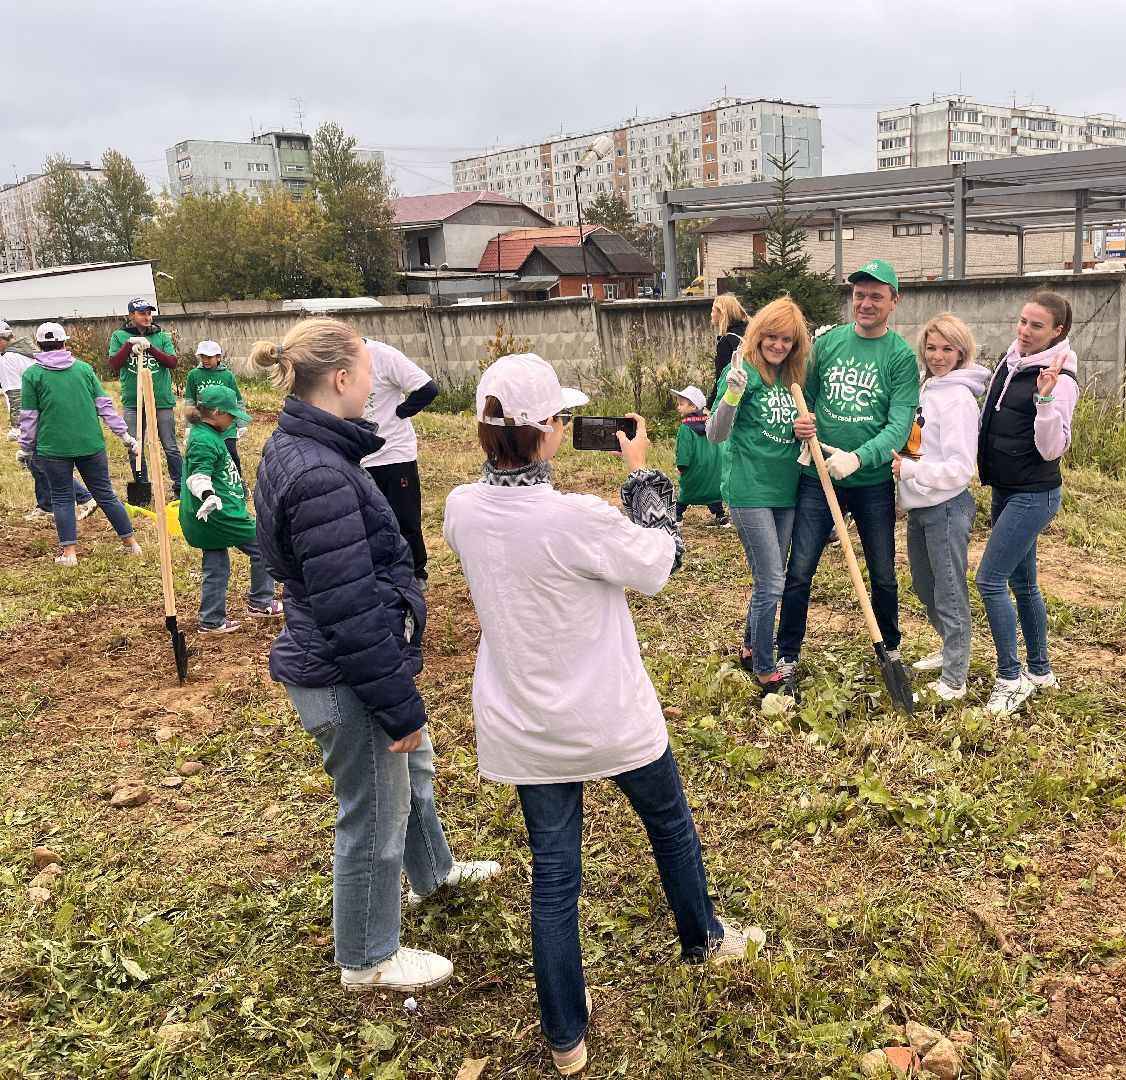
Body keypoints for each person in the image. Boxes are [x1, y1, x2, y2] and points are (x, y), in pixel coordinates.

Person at [444, 352, 764, 1076]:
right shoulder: (576, 518)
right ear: (548, 429)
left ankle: (565, 1036)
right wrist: (641, 474)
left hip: (526, 725)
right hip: (610, 717)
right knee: (670, 825)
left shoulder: (461, 508)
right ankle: (703, 938)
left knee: (555, 878)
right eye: (560, 417)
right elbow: (660, 562)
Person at [252, 317, 498, 995]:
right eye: (368, 372)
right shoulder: (319, 475)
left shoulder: (304, 447)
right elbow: (349, 610)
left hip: (352, 660)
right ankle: (367, 957)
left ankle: (433, 874)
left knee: (411, 775)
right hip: (347, 676)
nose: (375, 382)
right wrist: (398, 705)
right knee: (374, 815)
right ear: (341, 379)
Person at [777, 259, 920, 681]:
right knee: (800, 569)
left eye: (876, 296)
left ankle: (889, 649)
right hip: (818, 478)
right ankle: (787, 655)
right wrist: (800, 423)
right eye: (860, 295)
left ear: (893, 301)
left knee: (883, 573)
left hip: (871, 483)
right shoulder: (828, 344)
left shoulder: (900, 357)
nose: (866, 303)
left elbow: (899, 425)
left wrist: (859, 457)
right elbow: (803, 398)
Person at [975, 291, 1078, 717]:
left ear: (1057, 331)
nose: (1025, 330)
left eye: (1037, 325)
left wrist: (1046, 399)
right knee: (1024, 584)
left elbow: (1052, 449)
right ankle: (1040, 671)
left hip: (1034, 494)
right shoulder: (1014, 359)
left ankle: (1010, 678)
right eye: (1022, 321)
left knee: (989, 580)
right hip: (1006, 487)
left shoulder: (1060, 378)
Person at [705, 297, 809, 693]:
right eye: (772, 337)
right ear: (758, 334)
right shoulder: (741, 370)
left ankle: (751, 646)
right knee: (771, 582)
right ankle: (766, 670)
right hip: (748, 489)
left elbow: (791, 428)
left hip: (785, 490)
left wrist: (802, 429)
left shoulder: (790, 377)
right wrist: (732, 395)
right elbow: (716, 433)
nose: (778, 345)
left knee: (769, 577)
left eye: (787, 339)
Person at [893, 314, 990, 702]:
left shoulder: (958, 400)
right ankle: (951, 647)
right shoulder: (927, 386)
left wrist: (911, 469)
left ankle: (954, 679)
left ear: (961, 352)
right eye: (931, 347)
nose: (937, 356)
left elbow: (961, 468)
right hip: (921, 506)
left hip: (946, 508)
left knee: (950, 593)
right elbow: (919, 441)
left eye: (947, 349)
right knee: (924, 585)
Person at [16, 322, 142, 566]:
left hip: (53, 448)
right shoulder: (83, 369)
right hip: (90, 444)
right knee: (105, 493)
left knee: (62, 498)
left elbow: (29, 417)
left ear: (39, 346)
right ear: (65, 343)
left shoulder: (32, 375)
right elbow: (104, 405)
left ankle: (69, 554)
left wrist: (25, 447)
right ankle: (131, 544)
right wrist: (124, 434)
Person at [180, 384, 279, 633]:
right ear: (216, 412)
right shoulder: (203, 440)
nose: (234, 420)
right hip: (221, 516)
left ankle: (211, 620)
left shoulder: (207, 433)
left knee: (216, 565)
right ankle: (261, 602)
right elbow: (198, 476)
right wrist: (208, 495)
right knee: (264, 546)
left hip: (216, 515)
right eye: (231, 415)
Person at [361, 338, 439, 586]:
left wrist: (400, 413)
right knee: (365, 521)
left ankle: (415, 573)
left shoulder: (384, 356)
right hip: (357, 455)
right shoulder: (332, 359)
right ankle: (377, 571)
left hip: (394, 453)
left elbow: (428, 388)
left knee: (405, 518)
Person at [3, 321, 97, 521]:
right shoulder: (26, 352)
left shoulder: (8, 358)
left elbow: (15, 393)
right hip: (48, 411)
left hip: (34, 415)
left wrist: (18, 426)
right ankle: (46, 505)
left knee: (43, 464)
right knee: (39, 463)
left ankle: (83, 498)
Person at [108, 298, 182, 498]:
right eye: (142, 313)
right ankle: (143, 486)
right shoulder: (119, 336)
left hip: (161, 400)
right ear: (131, 315)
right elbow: (114, 364)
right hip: (133, 401)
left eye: (149, 313)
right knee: (135, 446)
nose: (147, 317)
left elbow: (172, 362)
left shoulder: (161, 337)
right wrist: (128, 345)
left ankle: (179, 486)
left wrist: (150, 348)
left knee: (170, 446)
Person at [183, 340, 246, 478]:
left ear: (218, 357)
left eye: (209, 357)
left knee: (231, 453)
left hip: (226, 424)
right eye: (203, 357)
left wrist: (242, 423)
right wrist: (188, 425)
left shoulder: (227, 376)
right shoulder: (194, 375)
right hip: (205, 423)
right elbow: (190, 401)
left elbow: (237, 400)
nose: (205, 360)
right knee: (208, 453)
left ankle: (237, 480)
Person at [670, 384, 728, 528]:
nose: (678, 407)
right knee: (713, 495)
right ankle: (721, 517)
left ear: (693, 407)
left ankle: (677, 516)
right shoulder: (711, 424)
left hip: (694, 472)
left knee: (685, 495)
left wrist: (681, 467)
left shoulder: (685, 428)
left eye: (681, 404)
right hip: (713, 472)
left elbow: (684, 451)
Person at [709, 293, 749, 402]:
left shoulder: (727, 341)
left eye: (713, 311)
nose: (711, 314)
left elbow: (722, 378)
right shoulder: (749, 333)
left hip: (735, 396)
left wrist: (710, 405)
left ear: (722, 313)